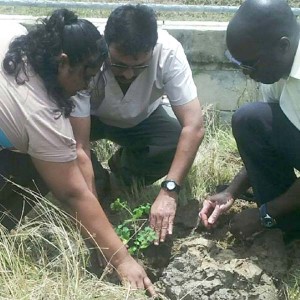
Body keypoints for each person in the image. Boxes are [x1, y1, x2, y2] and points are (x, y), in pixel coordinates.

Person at [0, 9, 155, 295]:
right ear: (63, 63)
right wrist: (121, 258)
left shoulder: (13, 36)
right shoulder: (41, 114)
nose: (86, 86)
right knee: (44, 166)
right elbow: (73, 192)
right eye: (86, 76)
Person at [71, 4, 205, 245]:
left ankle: (121, 175)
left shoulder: (169, 52)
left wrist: (169, 191)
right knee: (64, 144)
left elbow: (194, 126)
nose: (129, 75)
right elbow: (79, 146)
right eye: (120, 65)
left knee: (173, 140)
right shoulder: (90, 52)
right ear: (105, 45)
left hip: (142, 120)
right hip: (92, 119)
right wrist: (94, 218)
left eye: (139, 66)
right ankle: (100, 182)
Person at [199, 0, 300, 238]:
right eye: (239, 64)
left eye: (250, 64)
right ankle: (290, 225)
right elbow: (265, 137)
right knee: (251, 120)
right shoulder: (277, 71)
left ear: (283, 46)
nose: (245, 72)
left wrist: (264, 213)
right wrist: (231, 192)